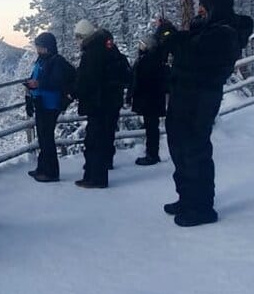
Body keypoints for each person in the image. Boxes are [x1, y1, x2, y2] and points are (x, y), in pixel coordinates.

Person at [157, 0, 253, 227]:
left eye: (204, 6)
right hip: (185, 96)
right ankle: (187, 198)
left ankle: (201, 207)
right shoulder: (210, 29)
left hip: (200, 99)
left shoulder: (224, 33)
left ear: (215, 7)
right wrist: (173, 33)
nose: (199, 10)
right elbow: (189, 44)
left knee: (194, 150)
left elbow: (191, 54)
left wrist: (170, 36)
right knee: (179, 148)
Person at [73, 19, 131, 188]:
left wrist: (74, 92)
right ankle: (98, 172)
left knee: (94, 140)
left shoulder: (92, 53)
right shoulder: (109, 48)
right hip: (111, 101)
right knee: (104, 138)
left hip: (98, 103)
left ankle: (95, 177)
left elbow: (87, 80)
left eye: (78, 37)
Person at [25, 32, 77, 182]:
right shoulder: (42, 60)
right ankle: (42, 168)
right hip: (41, 102)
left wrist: (39, 84)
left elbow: (56, 81)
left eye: (40, 46)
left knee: (47, 138)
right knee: (43, 137)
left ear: (47, 47)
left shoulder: (56, 61)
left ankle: (51, 172)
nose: (38, 49)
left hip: (50, 104)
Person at [126, 35, 169, 166]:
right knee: (151, 127)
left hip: (150, 100)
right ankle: (152, 153)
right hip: (151, 100)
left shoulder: (149, 61)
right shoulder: (153, 59)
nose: (140, 47)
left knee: (151, 128)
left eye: (142, 45)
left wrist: (133, 93)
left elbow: (142, 80)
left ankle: (152, 154)